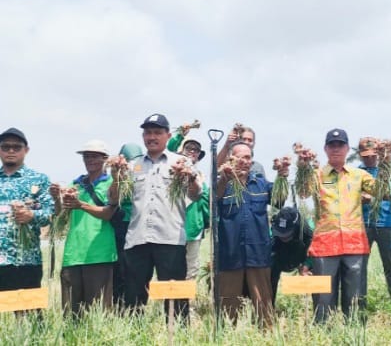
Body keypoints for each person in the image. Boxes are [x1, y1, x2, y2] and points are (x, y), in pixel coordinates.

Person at [108, 113, 202, 323]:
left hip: (170, 238)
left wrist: (190, 176)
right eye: (148, 132)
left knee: (175, 295)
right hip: (137, 239)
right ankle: (134, 334)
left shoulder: (181, 162)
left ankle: (178, 335)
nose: (152, 137)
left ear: (168, 135)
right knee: (133, 295)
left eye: (157, 132)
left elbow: (195, 194)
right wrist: (116, 176)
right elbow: (114, 199)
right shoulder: (133, 165)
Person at [215, 142, 288, 326]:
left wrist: (282, 177)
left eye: (247, 157)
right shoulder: (223, 183)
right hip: (231, 252)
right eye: (239, 157)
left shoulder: (260, 183)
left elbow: (279, 200)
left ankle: (266, 334)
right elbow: (214, 198)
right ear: (231, 158)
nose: (243, 161)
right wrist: (225, 177)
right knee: (228, 301)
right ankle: (226, 335)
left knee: (263, 299)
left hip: (258, 251)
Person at [308, 129, 375, 323]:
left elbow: (382, 192)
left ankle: (354, 335)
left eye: (340, 145)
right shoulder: (316, 175)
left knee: (355, 296)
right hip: (325, 245)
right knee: (323, 297)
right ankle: (323, 335)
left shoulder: (359, 175)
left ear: (347, 148)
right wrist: (302, 166)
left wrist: (385, 162)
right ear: (325, 149)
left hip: (354, 245)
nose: (336, 149)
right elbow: (302, 193)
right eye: (332, 145)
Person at [50, 140, 117, 317]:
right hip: (73, 254)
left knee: (98, 312)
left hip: (99, 253)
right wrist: (57, 197)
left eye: (95, 156)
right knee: (71, 312)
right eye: (86, 156)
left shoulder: (112, 183)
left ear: (105, 159)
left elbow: (108, 213)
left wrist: (81, 205)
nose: (90, 160)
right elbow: (59, 214)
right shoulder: (76, 185)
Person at [0, 128, 54, 293]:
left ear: (26, 150)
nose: (10, 151)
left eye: (16, 147)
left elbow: (50, 214)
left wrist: (32, 215)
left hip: (26, 259)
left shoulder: (39, 179)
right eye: (5, 147)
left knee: (28, 314)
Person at [357, 137, 391, 305]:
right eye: (365, 156)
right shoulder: (355, 173)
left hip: (387, 224)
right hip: (363, 225)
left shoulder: (389, 172)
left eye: (373, 155)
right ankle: (360, 303)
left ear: (379, 153)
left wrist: (372, 197)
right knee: (359, 267)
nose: (369, 159)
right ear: (360, 155)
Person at [167, 132, 210, 280]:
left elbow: (204, 203)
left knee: (191, 268)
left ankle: (187, 302)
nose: (192, 151)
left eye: (196, 149)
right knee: (171, 266)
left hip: (193, 227)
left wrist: (205, 222)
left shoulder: (201, 176)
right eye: (189, 148)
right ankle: (172, 302)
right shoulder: (172, 170)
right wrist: (180, 133)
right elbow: (169, 148)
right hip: (173, 226)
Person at [111, 143, 143, 307]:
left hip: (135, 225)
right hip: (122, 224)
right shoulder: (116, 174)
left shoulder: (140, 171)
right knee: (121, 267)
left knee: (133, 268)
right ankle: (119, 302)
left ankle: (131, 303)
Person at [270, 206, 313, 304]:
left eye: (286, 234)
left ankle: (319, 309)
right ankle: (269, 309)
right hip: (280, 256)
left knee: (318, 266)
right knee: (270, 270)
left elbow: (314, 249)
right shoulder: (273, 228)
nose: (283, 237)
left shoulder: (307, 231)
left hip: (300, 254)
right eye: (280, 233)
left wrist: (307, 264)